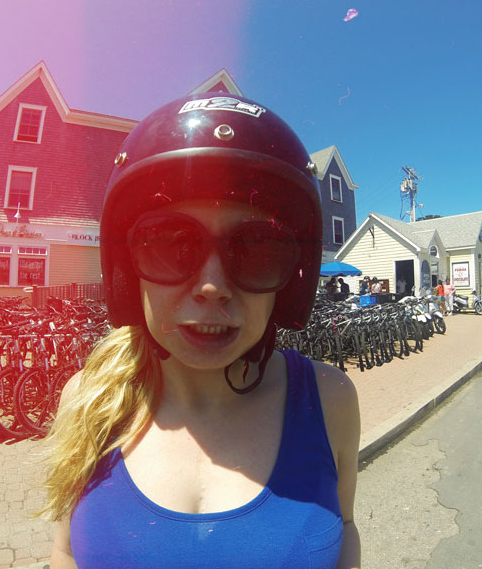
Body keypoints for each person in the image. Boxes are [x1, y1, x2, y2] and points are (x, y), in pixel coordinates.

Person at [44, 93, 361, 568]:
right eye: (171, 244)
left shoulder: (329, 399)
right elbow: (65, 550)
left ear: (290, 284)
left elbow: (346, 527)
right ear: (128, 270)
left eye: (256, 249)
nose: (212, 287)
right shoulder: (88, 402)